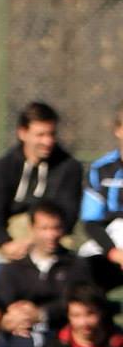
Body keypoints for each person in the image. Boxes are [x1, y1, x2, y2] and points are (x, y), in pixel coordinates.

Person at [0, 102, 84, 261]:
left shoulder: (69, 168)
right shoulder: (3, 167)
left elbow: (68, 216)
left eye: (51, 134)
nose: (48, 141)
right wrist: (6, 244)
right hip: (10, 240)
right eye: (40, 135)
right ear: (23, 133)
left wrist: (33, 241)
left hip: (52, 238)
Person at [0, 203, 94, 337]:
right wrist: (11, 321)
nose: (51, 235)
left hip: (62, 337)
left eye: (56, 228)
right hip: (21, 337)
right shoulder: (13, 269)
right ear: (32, 229)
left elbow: (80, 301)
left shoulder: (76, 266)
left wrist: (42, 314)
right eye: (44, 228)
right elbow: (3, 304)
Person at [78, 100, 123, 286]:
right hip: (110, 246)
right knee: (81, 268)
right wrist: (114, 252)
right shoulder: (101, 169)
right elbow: (91, 222)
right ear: (118, 130)